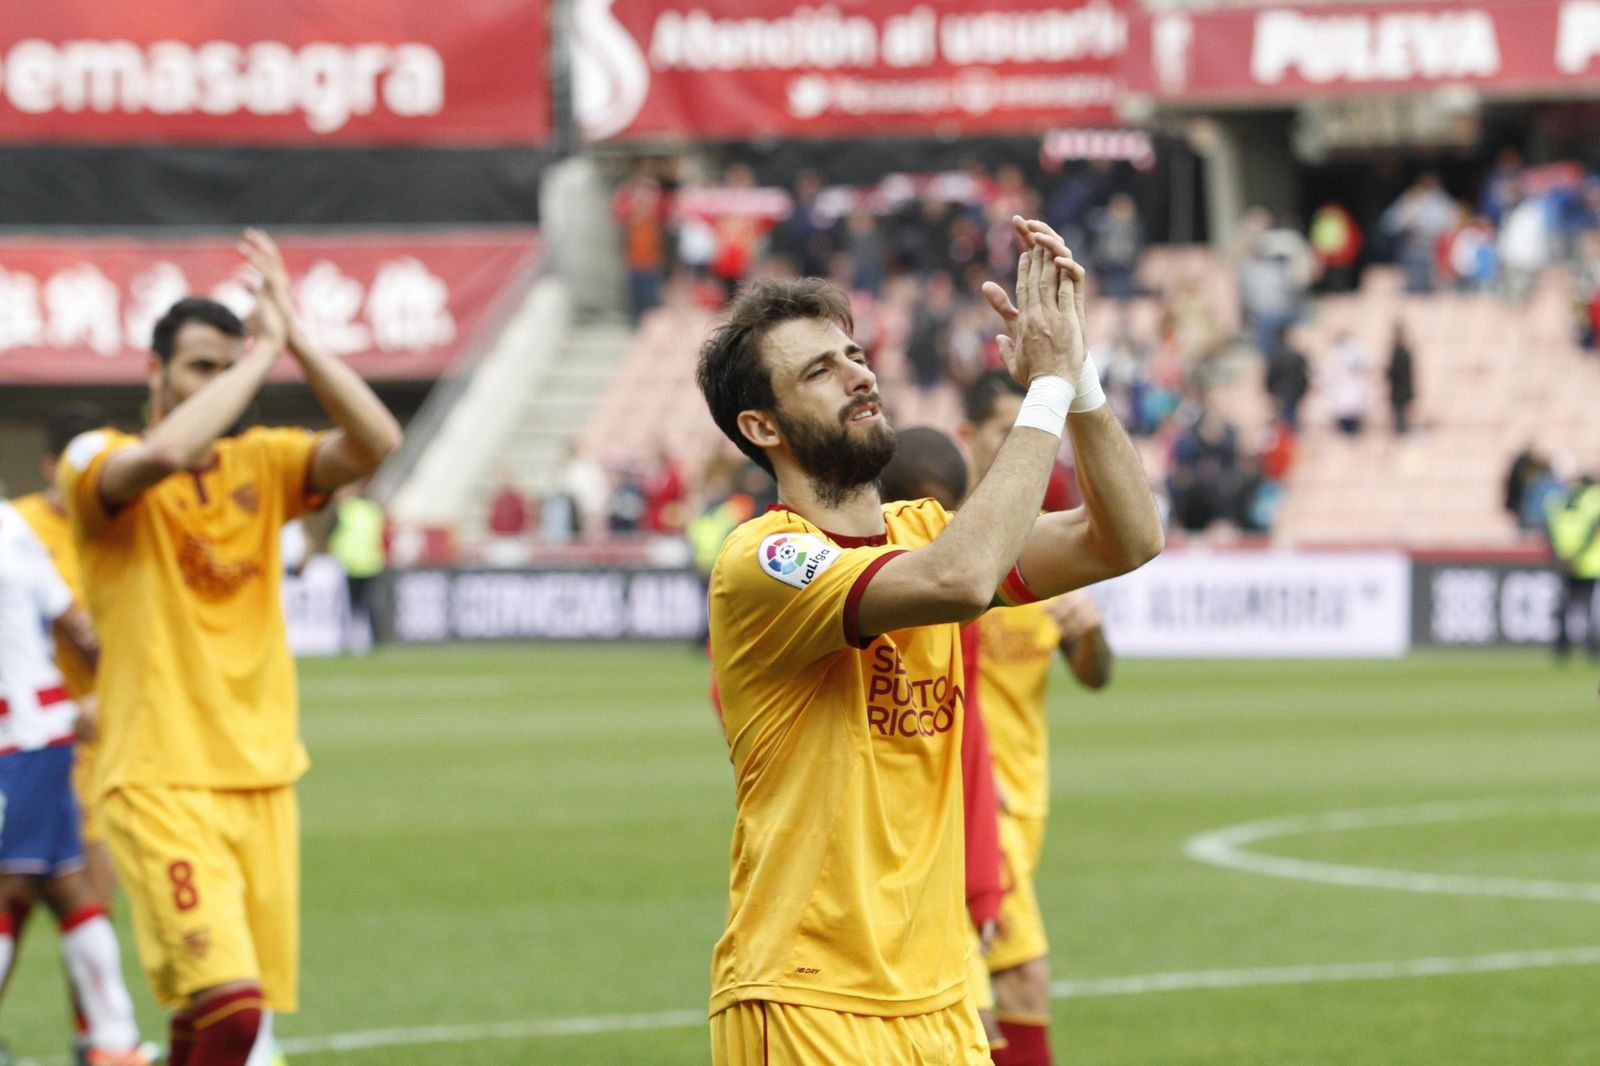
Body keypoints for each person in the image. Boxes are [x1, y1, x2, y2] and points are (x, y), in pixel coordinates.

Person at [696, 216, 1162, 1065]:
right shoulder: (764, 557)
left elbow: (1126, 538)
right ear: (762, 427)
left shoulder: (924, 529)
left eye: (854, 354)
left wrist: (1079, 377)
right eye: (819, 370)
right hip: (808, 997)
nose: (858, 373)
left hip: (940, 1000)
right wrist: (1043, 393)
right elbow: (960, 581)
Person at [58, 229, 401, 1066]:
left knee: (208, 1017)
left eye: (227, 364)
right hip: (158, 774)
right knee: (233, 1009)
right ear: (154, 371)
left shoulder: (265, 461)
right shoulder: (97, 459)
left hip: (262, 771)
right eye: (199, 367)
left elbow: (376, 441)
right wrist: (260, 358)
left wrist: (298, 338)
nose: (217, 382)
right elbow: (170, 450)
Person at [958, 373, 1114, 1066]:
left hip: (1024, 803)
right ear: (968, 436)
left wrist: (1090, 631)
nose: (1023, 444)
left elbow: (1095, 677)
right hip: (969, 801)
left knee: (985, 991)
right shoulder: (942, 539)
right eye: (1005, 429)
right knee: (1016, 980)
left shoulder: (1043, 543)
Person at [11, 406, 158, 1065]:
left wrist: (117, 690)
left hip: (71, 738)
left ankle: (101, 1039)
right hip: (33, 733)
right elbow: (76, 625)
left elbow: (93, 629)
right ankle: (110, 1040)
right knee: (30, 888)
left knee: (75, 885)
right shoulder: (19, 527)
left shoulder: (115, 525)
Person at [877, 428, 1007, 1052]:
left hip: (934, 872)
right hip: (845, 888)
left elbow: (965, 736)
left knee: (978, 1024)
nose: (940, 534)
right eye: (925, 516)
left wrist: (981, 880)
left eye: (947, 519)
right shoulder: (822, 584)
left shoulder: (959, 608)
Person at [1544, 474, 1600, 661]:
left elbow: (1590, 531)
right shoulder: (1585, 501)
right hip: (1576, 563)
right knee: (1570, 607)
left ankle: (1589, 647)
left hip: (1584, 564)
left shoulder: (1561, 501)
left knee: (1583, 608)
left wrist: (1569, 556)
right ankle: (1566, 647)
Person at [328, 483, 386, 654]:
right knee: (369, 606)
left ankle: (347, 641)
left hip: (351, 565)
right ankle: (375, 641)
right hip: (371, 564)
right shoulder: (373, 511)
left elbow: (333, 534)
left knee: (350, 607)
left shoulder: (346, 510)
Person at [1386, 323, 1416, 436]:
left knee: (1401, 419)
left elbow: (1396, 372)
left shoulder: (1400, 352)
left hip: (1400, 392)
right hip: (1401, 391)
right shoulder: (1403, 351)